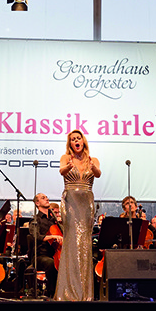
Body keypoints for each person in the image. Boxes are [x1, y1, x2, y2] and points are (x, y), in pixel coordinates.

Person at [55, 129, 100, 301]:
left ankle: (85, 292)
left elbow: (98, 174)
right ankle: (68, 291)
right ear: (70, 144)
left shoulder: (93, 159)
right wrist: (68, 167)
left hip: (86, 204)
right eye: (73, 139)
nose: (76, 141)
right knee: (72, 242)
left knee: (85, 244)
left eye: (78, 138)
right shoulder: (66, 158)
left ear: (83, 141)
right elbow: (62, 171)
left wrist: (93, 167)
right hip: (71, 204)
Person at [32, 192, 61, 296]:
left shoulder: (53, 220)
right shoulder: (36, 220)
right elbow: (36, 236)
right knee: (50, 263)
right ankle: (52, 293)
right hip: (40, 256)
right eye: (43, 198)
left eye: (47, 197)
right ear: (37, 203)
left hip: (55, 253)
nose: (47, 199)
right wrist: (52, 237)